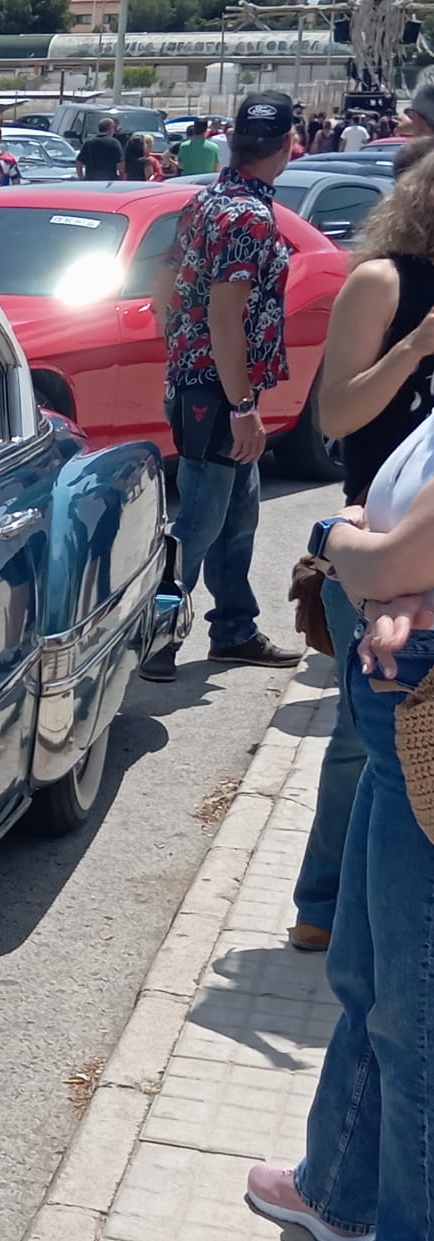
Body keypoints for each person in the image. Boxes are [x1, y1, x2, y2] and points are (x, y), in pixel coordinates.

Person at [243, 432, 434, 1241]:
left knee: (417, 1004)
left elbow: (394, 551)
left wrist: (334, 535)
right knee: (365, 971)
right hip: (402, 693)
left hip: (422, 696)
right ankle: (341, 1191)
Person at [287, 141, 434, 952]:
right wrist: (413, 349)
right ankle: (325, 903)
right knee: (363, 738)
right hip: (371, 546)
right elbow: (334, 418)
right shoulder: (386, 281)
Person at [144, 90, 307, 680]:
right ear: (289, 145)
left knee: (239, 516)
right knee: (201, 521)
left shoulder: (210, 199)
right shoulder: (249, 216)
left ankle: (234, 628)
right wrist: (241, 405)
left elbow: (166, 274)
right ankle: (154, 637)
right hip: (217, 392)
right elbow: (225, 317)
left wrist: (172, 332)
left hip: (202, 383)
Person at [77, 117, 124, 181]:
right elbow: (120, 166)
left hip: (91, 180)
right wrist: (120, 178)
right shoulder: (114, 143)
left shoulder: (88, 142)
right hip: (109, 181)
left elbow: (79, 162)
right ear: (110, 128)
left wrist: (81, 178)